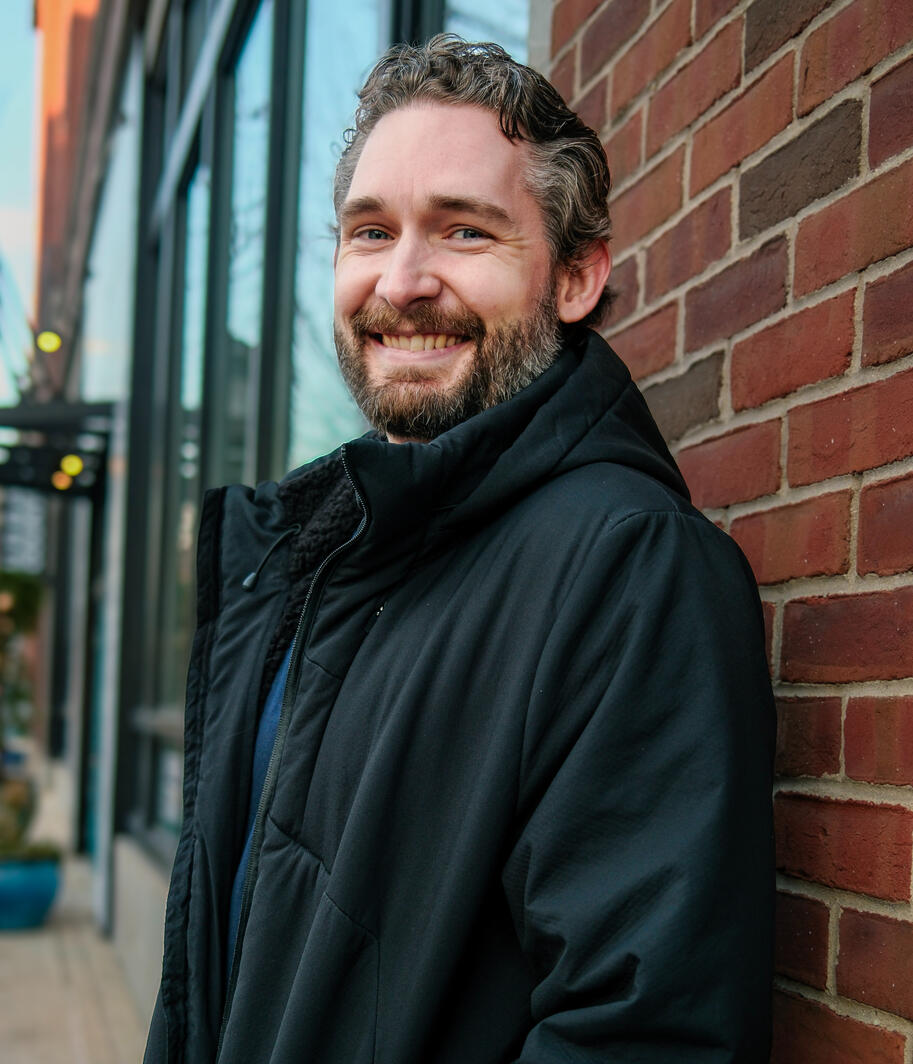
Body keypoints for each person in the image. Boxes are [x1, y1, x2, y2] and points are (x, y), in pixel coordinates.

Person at [145, 35, 774, 1064]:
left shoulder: (631, 569)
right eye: (370, 231)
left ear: (575, 277)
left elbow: (641, 1033)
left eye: (464, 231)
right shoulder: (328, 552)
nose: (402, 280)